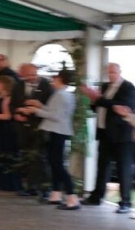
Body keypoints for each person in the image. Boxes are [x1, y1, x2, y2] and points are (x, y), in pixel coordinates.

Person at [20, 70, 78, 210]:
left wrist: (35, 111)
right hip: (59, 130)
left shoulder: (60, 95)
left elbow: (55, 116)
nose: (52, 81)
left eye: (55, 78)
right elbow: (54, 111)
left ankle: (72, 196)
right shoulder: (66, 94)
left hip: (57, 131)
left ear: (60, 79)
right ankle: (56, 194)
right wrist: (39, 105)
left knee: (57, 164)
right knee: (54, 162)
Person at [81, 63, 134, 213]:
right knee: (102, 166)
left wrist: (98, 99)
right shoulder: (104, 87)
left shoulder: (128, 87)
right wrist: (92, 100)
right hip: (104, 133)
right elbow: (98, 107)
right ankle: (96, 197)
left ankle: (125, 202)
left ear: (120, 72)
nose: (111, 75)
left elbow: (122, 107)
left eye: (113, 72)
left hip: (122, 136)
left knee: (123, 169)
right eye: (109, 73)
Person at [11, 63, 52, 197]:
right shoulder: (18, 86)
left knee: (41, 158)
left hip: (39, 126)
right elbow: (12, 104)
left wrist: (38, 107)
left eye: (34, 74)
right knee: (27, 156)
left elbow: (51, 108)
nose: (32, 78)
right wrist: (16, 113)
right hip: (23, 127)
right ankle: (31, 187)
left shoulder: (46, 86)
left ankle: (45, 189)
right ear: (23, 75)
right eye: (28, 75)